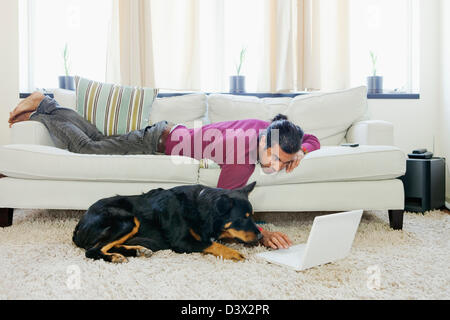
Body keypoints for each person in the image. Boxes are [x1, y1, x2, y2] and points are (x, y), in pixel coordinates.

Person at [8, 92, 321, 249]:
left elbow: (311, 138)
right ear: (265, 140)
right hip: (155, 142)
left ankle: (48, 104)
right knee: (87, 147)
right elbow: (224, 208)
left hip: (167, 132)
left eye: (282, 160)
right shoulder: (239, 156)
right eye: (272, 155)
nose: (274, 166)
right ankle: (45, 106)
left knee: (99, 140)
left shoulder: (268, 129)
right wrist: (261, 234)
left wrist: (302, 151)